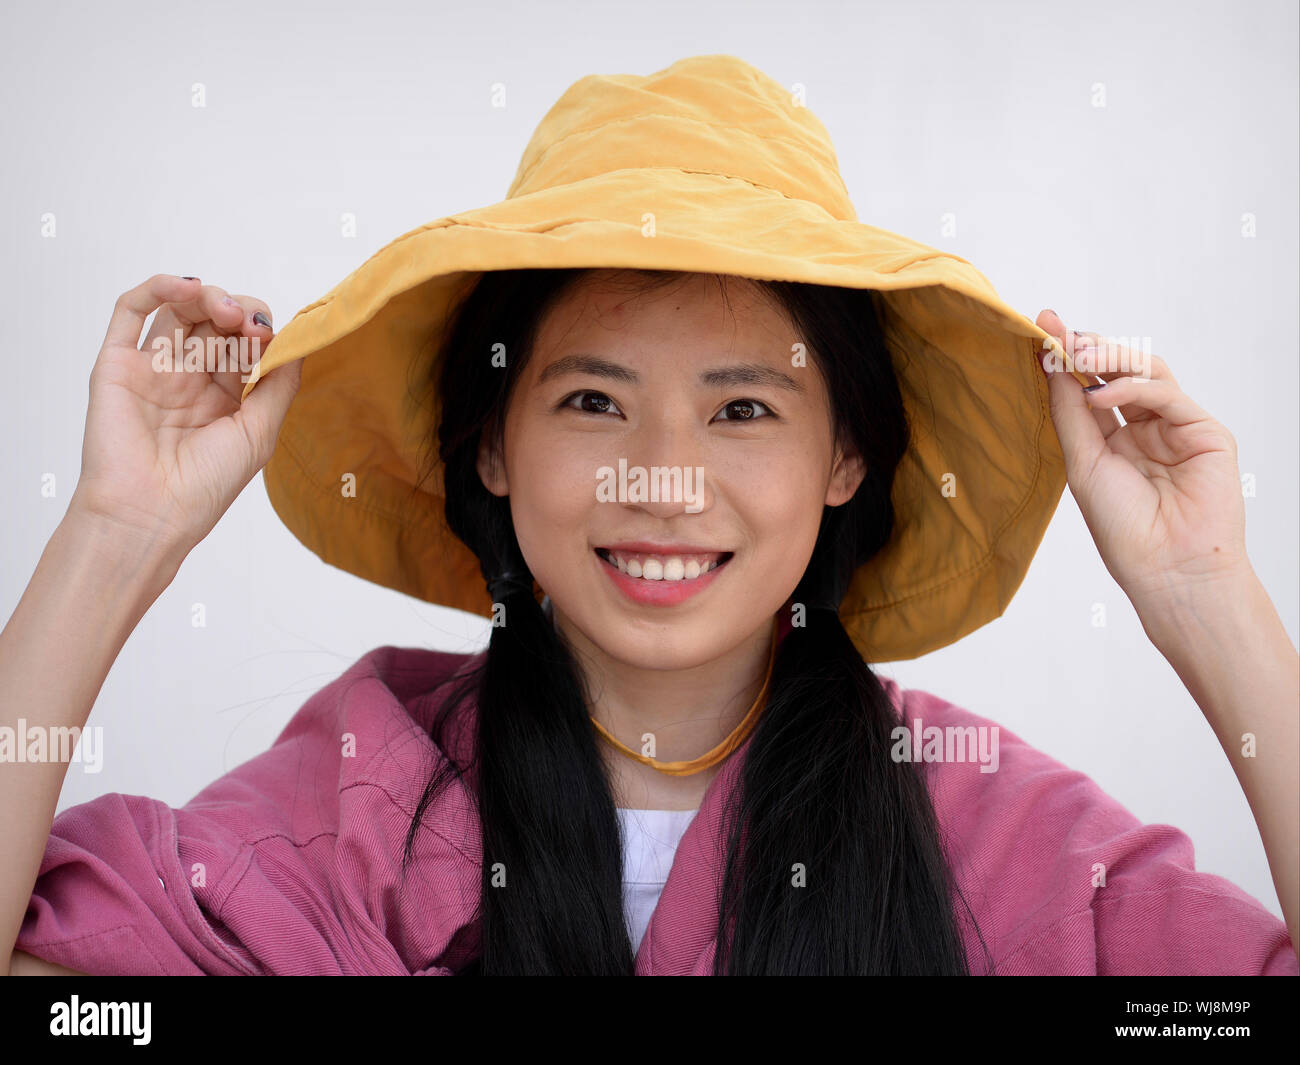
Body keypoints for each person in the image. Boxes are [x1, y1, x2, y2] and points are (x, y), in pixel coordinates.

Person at [3, 55, 1296, 976]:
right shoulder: (363, 807)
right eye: (592, 402)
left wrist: (1207, 593)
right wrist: (115, 533)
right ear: (493, 447)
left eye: (744, 410)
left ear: (848, 456)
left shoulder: (985, 824)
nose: (665, 477)